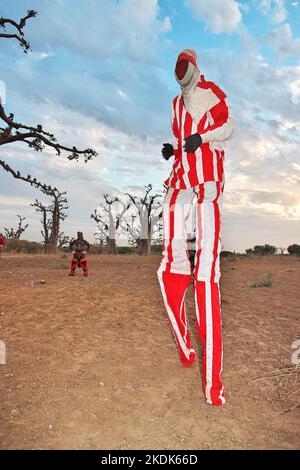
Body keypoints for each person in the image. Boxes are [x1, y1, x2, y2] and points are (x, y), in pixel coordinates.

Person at [157, 49, 236, 406]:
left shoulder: (210, 91)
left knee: (205, 277)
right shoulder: (175, 104)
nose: (180, 72)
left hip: (206, 186)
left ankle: (213, 386)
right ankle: (186, 346)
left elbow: (229, 126)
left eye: (184, 66)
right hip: (179, 185)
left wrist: (201, 140)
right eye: (176, 68)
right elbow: (181, 141)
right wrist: (172, 150)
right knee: (169, 269)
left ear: (194, 67)